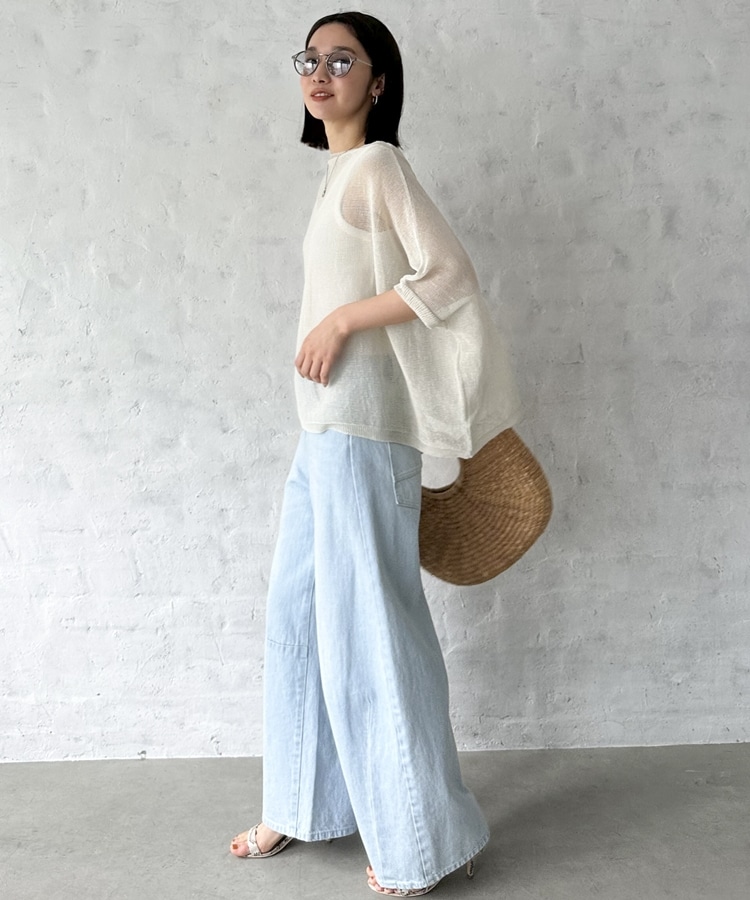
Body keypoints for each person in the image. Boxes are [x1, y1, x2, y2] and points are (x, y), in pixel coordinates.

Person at [230, 11, 520, 897]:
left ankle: (424, 842)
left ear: (378, 81)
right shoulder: (335, 176)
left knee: (371, 632)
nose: (320, 73)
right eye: (310, 59)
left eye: (342, 59)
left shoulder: (380, 165)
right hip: (321, 430)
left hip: (363, 432)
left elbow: (450, 273)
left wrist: (345, 320)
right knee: (297, 615)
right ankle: (304, 800)